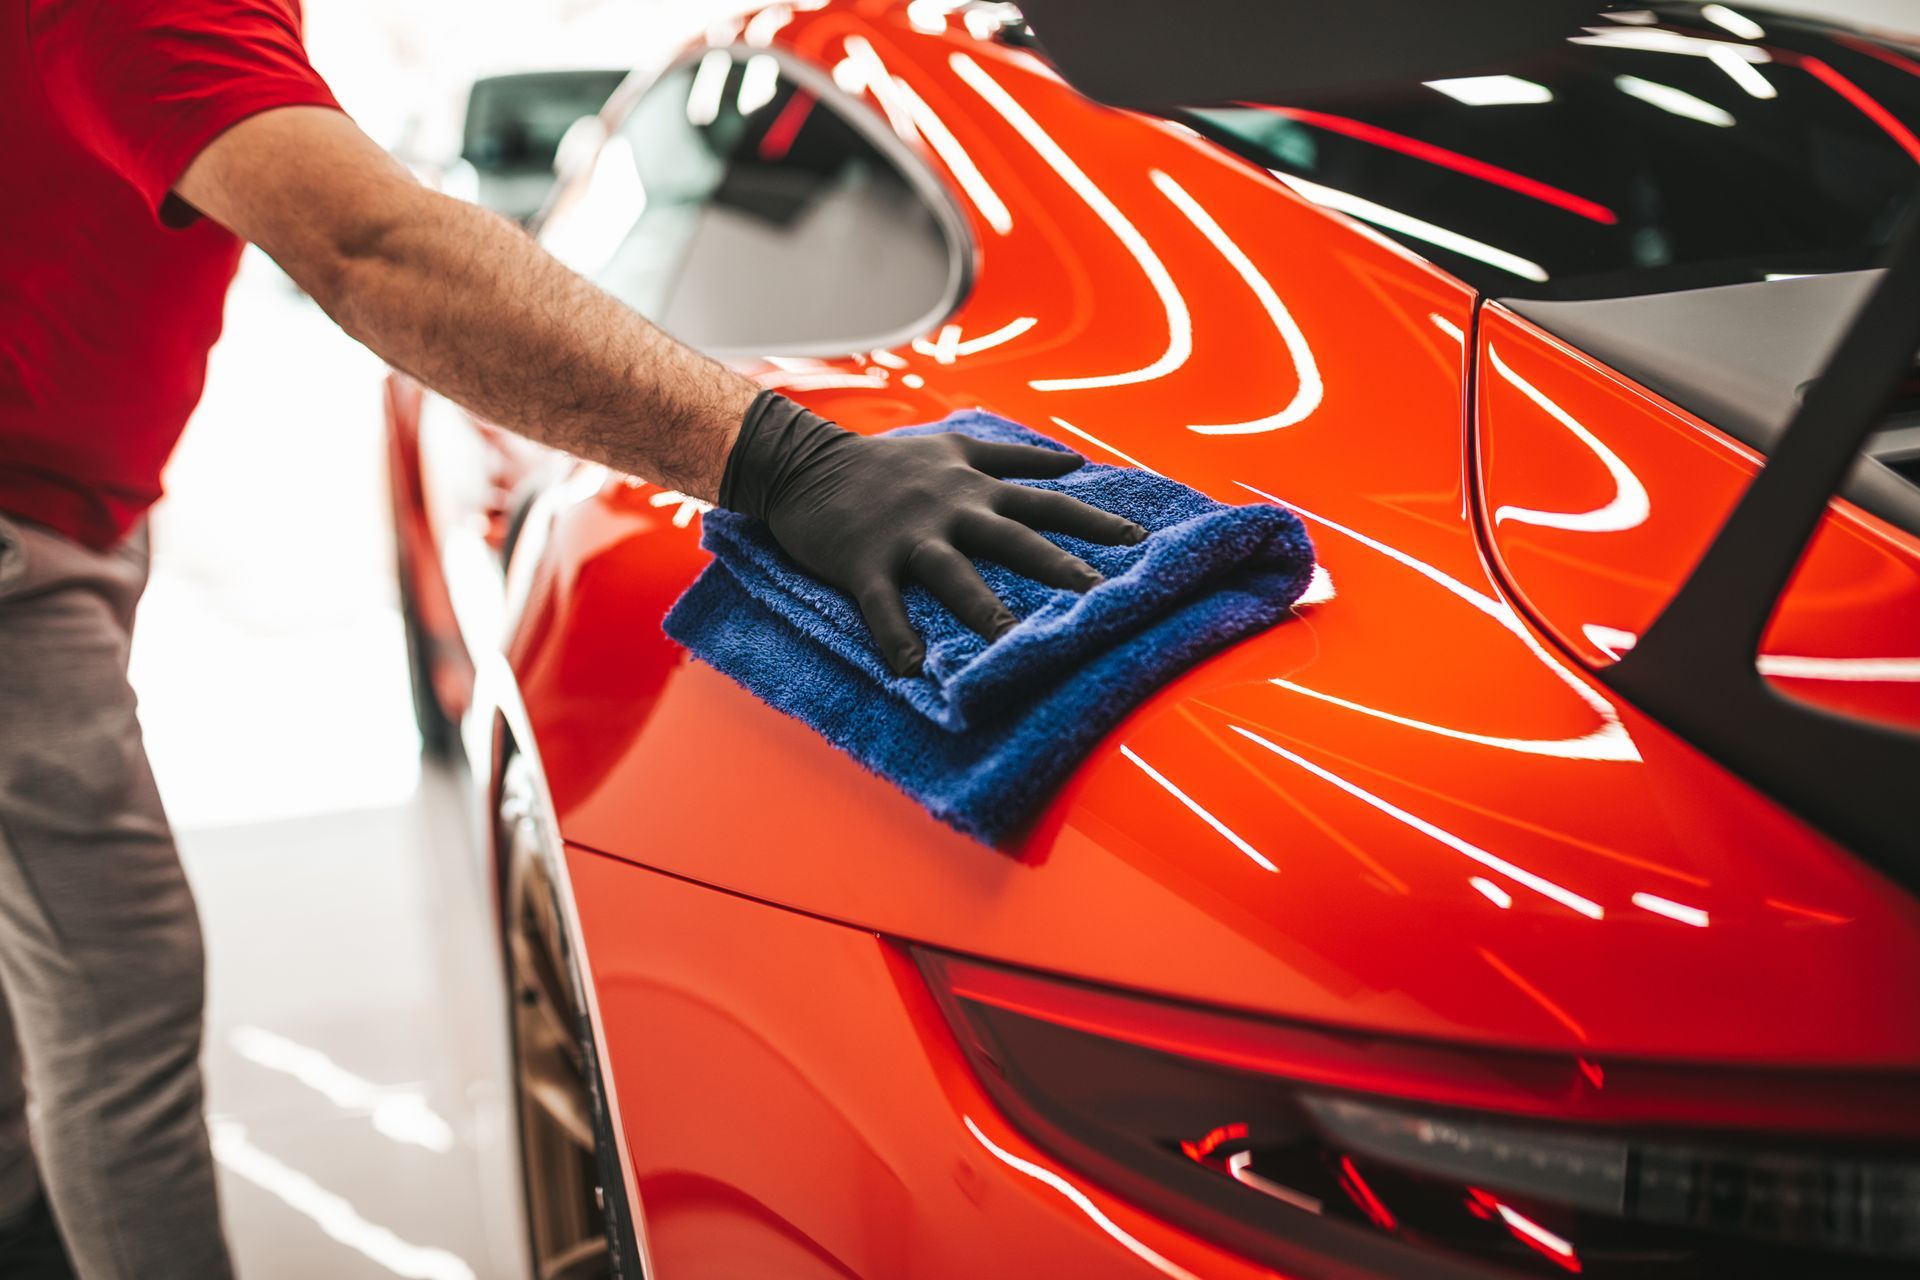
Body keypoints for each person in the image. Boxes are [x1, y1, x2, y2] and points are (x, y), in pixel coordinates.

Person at [0, 3, 1143, 1275]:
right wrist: (787, 459)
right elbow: (375, 246)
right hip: (19, 539)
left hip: (57, 507)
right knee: (115, 994)